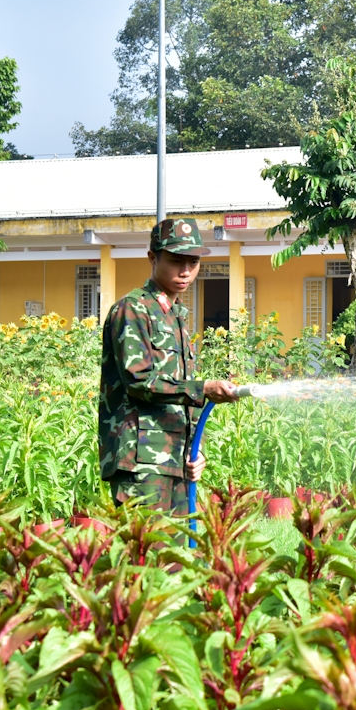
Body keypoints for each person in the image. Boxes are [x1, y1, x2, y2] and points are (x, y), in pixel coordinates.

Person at [98, 218, 239, 513]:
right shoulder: (133, 309)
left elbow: (181, 394)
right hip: (141, 462)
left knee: (180, 544)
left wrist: (196, 449)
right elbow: (138, 380)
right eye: (176, 261)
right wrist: (204, 388)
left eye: (193, 262)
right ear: (153, 258)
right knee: (148, 543)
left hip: (176, 459)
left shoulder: (174, 315)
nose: (185, 271)